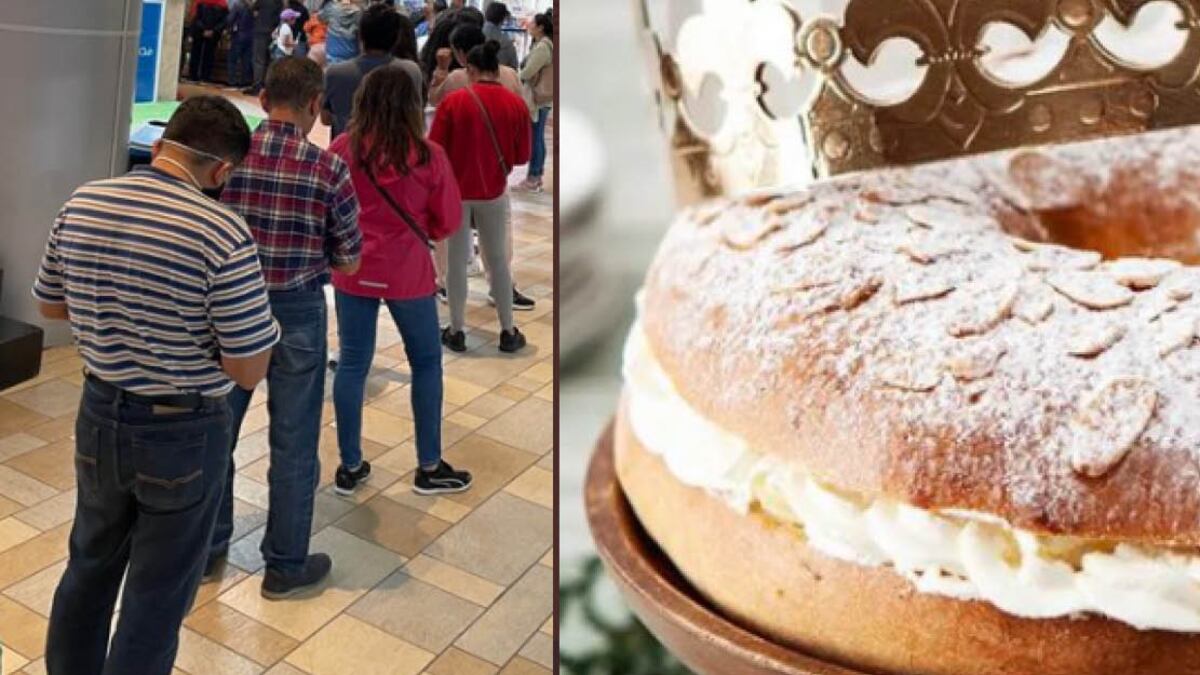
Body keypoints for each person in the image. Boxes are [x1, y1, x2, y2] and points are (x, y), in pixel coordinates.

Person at [35, 96, 277, 675]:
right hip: (182, 428)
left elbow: (49, 304)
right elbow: (249, 368)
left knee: (89, 563)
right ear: (221, 171)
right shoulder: (221, 232)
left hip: (98, 411)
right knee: (157, 590)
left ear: (163, 141)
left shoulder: (85, 199)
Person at [209, 57, 363, 598]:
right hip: (298, 311)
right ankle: (284, 564)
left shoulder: (229, 160)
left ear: (264, 97)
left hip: (231, 307)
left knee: (215, 433)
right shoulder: (328, 169)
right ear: (315, 104)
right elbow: (348, 261)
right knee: (294, 444)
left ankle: (207, 549)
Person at [329, 65, 474, 495]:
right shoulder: (429, 156)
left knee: (353, 363)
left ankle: (350, 465)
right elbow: (446, 221)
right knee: (426, 363)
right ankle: (429, 466)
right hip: (408, 271)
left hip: (353, 268)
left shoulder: (341, 149)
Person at [431, 39, 531, 353]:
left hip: (457, 193)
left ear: (471, 69)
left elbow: (435, 150)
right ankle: (507, 330)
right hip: (494, 192)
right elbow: (522, 155)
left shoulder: (454, 102)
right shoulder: (516, 104)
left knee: (457, 263)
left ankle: (457, 330)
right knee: (498, 261)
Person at [323, 4, 423, 139]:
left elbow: (326, 119)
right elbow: (416, 119)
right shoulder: (411, 71)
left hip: (348, 153)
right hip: (397, 153)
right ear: (396, 38)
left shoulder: (335, 73)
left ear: (360, 35)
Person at [517, 11, 553, 192]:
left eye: (532, 23)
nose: (529, 25)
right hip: (543, 98)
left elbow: (528, 71)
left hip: (538, 98)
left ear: (540, 27)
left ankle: (533, 176)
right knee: (538, 137)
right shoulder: (543, 44)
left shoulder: (542, 47)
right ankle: (536, 175)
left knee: (536, 137)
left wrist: (517, 78)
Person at [246, 0, 284, 94]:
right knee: (269, 60)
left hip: (260, 31)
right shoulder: (279, 3)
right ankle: (266, 86)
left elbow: (252, 9)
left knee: (258, 60)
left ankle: (257, 86)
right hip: (272, 32)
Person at [188, 0, 229, 83]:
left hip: (203, 31)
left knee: (200, 54)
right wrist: (212, 30)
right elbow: (224, 21)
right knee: (206, 54)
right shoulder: (223, 5)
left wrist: (205, 29)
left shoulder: (201, 3)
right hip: (209, 32)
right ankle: (203, 76)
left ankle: (195, 76)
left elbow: (196, 17)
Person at [320, 0, 365, 65]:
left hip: (333, 55)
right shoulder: (359, 11)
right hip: (353, 55)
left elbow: (321, 18)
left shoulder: (331, 7)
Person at [227, 0, 256, 88]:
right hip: (251, 36)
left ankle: (232, 81)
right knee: (246, 60)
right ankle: (244, 81)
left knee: (233, 59)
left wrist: (229, 31)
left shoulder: (237, 5)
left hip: (239, 34)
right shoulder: (254, 7)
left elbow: (230, 19)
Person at [482, 1, 517, 70]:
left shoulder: (475, 35)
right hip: (500, 78)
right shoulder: (506, 42)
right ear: (503, 18)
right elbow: (514, 66)